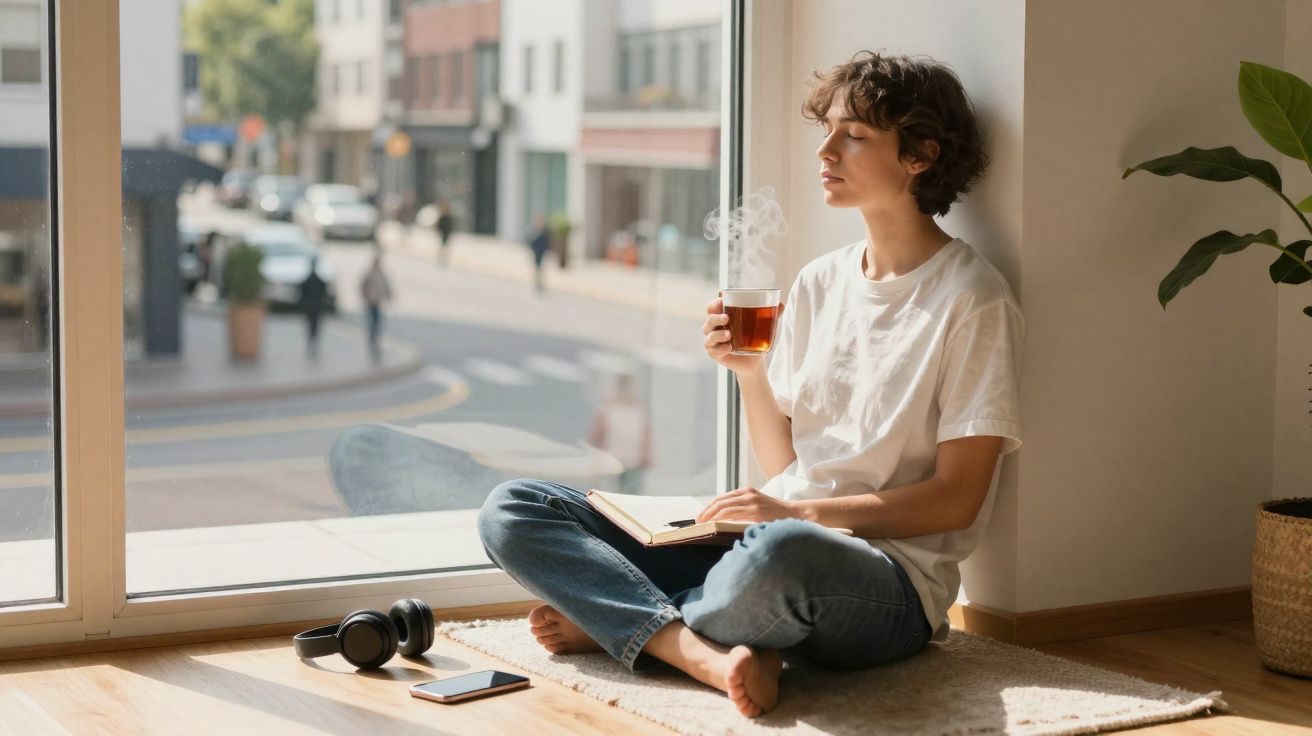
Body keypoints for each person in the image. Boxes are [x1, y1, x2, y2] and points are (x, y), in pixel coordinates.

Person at [477, 51, 1023, 719]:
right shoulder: (821, 281)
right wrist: (749, 374)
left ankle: (644, 631)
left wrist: (797, 515)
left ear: (920, 156)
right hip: (760, 546)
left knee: (782, 552)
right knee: (515, 508)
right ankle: (714, 644)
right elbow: (789, 467)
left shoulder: (972, 298)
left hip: (877, 581)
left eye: (853, 134)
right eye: (826, 128)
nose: (826, 148)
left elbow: (956, 500)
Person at [587, 372, 653, 493]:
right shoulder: (608, 408)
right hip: (612, 459)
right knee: (610, 493)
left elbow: (645, 434)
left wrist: (647, 455)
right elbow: (597, 434)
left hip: (633, 461)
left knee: (631, 494)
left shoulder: (637, 409)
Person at [360, 250, 393, 362]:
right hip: (371, 303)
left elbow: (387, 286)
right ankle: (372, 338)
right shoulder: (369, 274)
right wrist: (366, 297)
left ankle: (375, 339)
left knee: (377, 323)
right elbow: (362, 286)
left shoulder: (382, 274)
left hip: (378, 302)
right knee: (372, 322)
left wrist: (389, 296)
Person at [298, 257, 329, 358]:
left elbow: (301, 294)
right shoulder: (318, 280)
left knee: (311, 325)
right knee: (314, 326)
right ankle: (313, 341)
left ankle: (311, 341)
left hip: (311, 306)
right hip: (316, 306)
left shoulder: (310, 280)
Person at [526, 214, 552, 294]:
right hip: (536, 253)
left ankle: (540, 283)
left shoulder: (545, 232)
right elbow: (530, 242)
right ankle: (537, 283)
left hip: (542, 253)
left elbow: (547, 242)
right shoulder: (533, 232)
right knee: (537, 269)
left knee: (541, 269)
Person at [434, 200, 455, 267]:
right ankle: (442, 257)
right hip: (442, 233)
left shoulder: (448, 216)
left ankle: (444, 257)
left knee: (445, 246)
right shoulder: (442, 216)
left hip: (447, 233)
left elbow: (451, 225)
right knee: (443, 245)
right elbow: (438, 225)